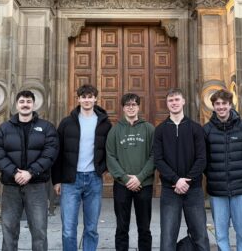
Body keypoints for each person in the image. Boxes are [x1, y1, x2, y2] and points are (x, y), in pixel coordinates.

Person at [0, 90, 59, 251]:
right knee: (9, 229)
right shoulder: (4, 128)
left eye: (29, 101)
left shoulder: (46, 127)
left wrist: (30, 172)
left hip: (37, 186)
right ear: (17, 104)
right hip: (11, 186)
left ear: (34, 104)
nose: (25, 104)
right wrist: (15, 172)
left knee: (39, 230)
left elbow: (50, 153)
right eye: (22, 101)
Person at [51, 84, 112, 251]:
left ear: (95, 99)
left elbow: (111, 150)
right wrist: (57, 180)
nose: (86, 100)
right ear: (78, 99)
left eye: (90, 96)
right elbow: (58, 152)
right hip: (70, 180)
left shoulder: (105, 124)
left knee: (91, 228)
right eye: (83, 97)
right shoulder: (66, 123)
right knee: (69, 229)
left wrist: (103, 168)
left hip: (94, 179)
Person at [153, 88, 210, 251]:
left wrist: (187, 180)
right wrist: (176, 180)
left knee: (200, 236)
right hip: (170, 191)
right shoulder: (160, 130)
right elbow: (158, 160)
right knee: (167, 239)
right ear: (167, 104)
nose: (174, 103)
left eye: (177, 99)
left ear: (183, 102)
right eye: (171, 100)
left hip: (194, 190)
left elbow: (201, 159)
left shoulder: (195, 128)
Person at [106, 93, 155, 251]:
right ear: (123, 108)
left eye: (134, 104)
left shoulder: (149, 129)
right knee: (121, 227)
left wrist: (139, 178)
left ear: (138, 107)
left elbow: (155, 156)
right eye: (128, 105)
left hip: (144, 185)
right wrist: (126, 179)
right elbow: (110, 157)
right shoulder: (115, 130)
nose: (131, 108)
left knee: (145, 228)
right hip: (122, 185)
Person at [204, 89, 242, 250]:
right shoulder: (206, 130)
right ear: (213, 106)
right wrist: (213, 175)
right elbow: (204, 160)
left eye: (224, 103)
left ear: (230, 105)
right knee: (221, 233)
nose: (221, 107)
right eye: (217, 104)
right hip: (217, 190)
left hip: (241, 189)